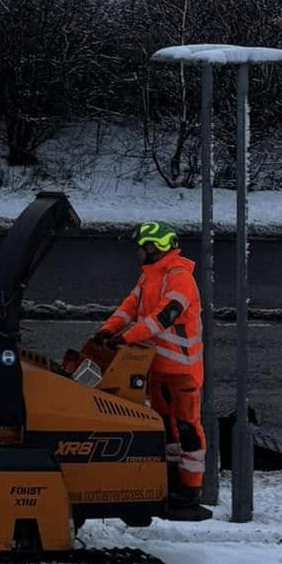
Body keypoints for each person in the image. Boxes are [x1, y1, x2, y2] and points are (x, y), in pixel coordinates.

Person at [92, 221, 213, 521]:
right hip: (156, 367)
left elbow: (162, 319)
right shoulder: (149, 277)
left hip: (182, 370)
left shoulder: (180, 278)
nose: (139, 254)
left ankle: (191, 489)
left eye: (143, 248)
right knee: (165, 426)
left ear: (155, 247)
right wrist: (107, 330)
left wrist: (124, 337)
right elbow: (129, 307)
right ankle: (172, 479)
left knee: (187, 428)